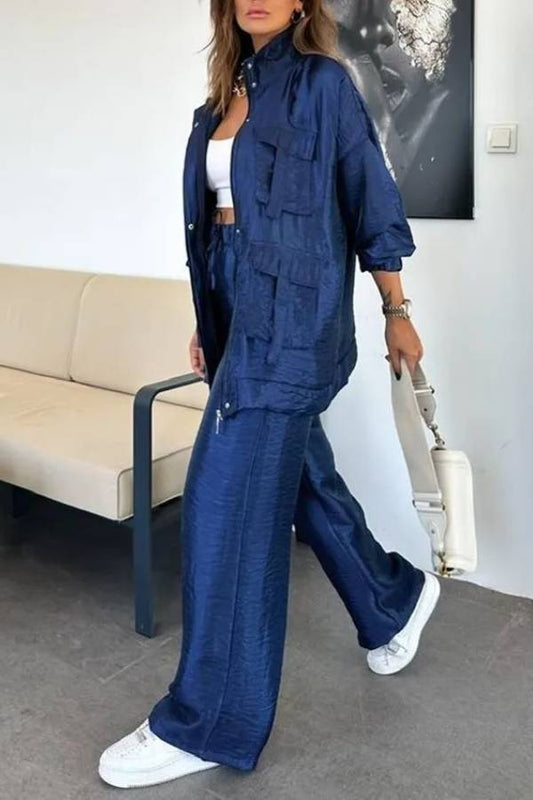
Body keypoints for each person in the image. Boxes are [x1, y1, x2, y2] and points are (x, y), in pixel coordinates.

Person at [98, 0, 441, 789]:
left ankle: (208, 721)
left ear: (299, 3)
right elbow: (216, 229)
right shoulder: (218, 103)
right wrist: (209, 320)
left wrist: (396, 311)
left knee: (223, 510)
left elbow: (368, 196)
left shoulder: (322, 85)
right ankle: (390, 598)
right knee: (301, 481)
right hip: (234, 313)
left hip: (292, 321)